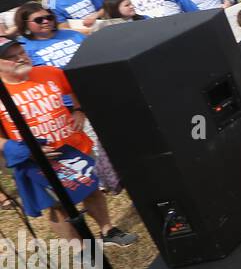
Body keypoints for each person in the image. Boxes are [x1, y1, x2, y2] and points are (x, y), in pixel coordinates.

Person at [0, 36, 138, 248]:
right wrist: (26, 150)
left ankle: (107, 230)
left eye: (21, 52)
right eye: (11, 57)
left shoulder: (48, 72)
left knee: (92, 189)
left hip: (76, 147)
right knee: (59, 206)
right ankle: (81, 248)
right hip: (41, 160)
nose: (20, 58)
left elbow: (75, 88)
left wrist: (78, 110)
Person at [13, 2, 85, 68]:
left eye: (49, 18)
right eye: (39, 20)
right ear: (25, 24)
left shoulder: (72, 34)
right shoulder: (24, 49)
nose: (46, 21)